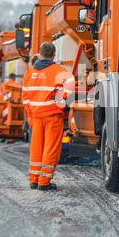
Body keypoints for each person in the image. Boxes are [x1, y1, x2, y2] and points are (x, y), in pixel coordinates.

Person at [23, 43, 75, 191]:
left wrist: (31, 113)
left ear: (40, 53)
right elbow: (70, 87)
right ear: (54, 54)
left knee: (36, 148)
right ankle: (44, 182)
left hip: (36, 116)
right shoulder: (60, 71)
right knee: (50, 148)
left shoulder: (29, 72)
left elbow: (25, 97)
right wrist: (60, 100)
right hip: (53, 115)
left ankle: (34, 180)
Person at [0, 73, 20, 143]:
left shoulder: (3, 84)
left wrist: (1, 103)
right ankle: (10, 137)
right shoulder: (17, 85)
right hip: (14, 107)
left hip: (3, 106)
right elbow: (19, 97)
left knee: (3, 122)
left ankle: (4, 135)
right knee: (12, 122)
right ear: (14, 78)